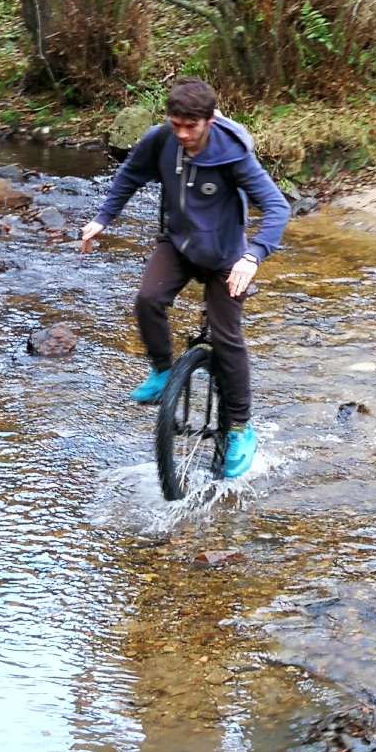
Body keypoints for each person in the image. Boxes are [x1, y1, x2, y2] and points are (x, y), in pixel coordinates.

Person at [80, 80, 290, 480]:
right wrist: (102, 219)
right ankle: (162, 371)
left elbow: (277, 208)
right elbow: (129, 176)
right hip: (177, 243)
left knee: (227, 339)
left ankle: (242, 430)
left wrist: (254, 254)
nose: (182, 134)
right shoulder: (161, 140)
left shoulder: (233, 155)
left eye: (190, 126)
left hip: (227, 256)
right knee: (147, 298)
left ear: (209, 120)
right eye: (175, 123)